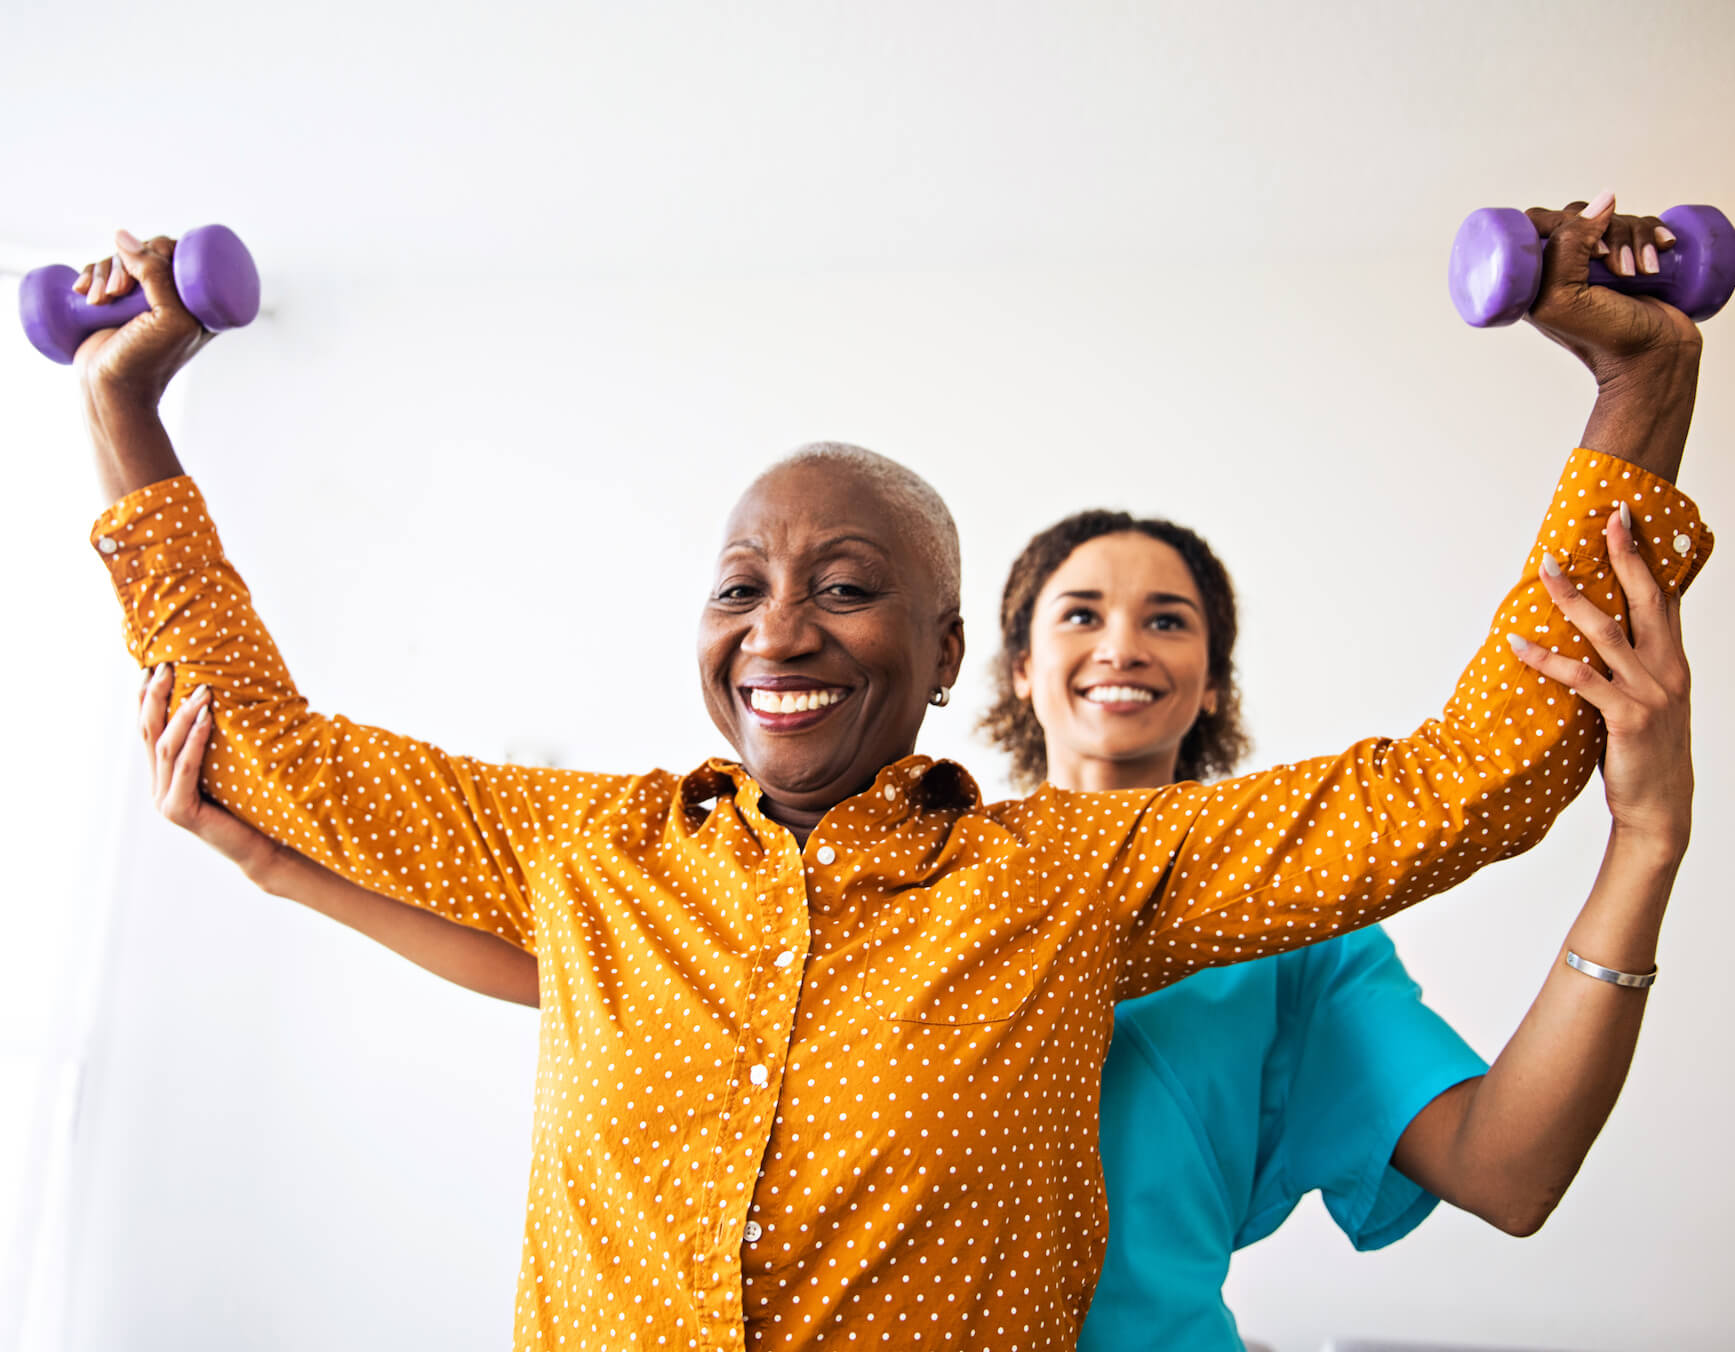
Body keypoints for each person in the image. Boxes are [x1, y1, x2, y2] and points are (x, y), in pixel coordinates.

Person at [75, 194, 1708, 1351]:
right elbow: (275, 758)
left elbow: (1472, 781)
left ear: (941, 664)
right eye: (740, 584)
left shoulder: (1075, 880)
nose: (779, 625)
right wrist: (120, 402)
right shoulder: (593, 859)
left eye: (845, 585)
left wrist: (1643, 388)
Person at [978, 504, 1694, 1350]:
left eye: (1166, 620)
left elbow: (1507, 1172)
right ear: (1021, 668)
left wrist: (1646, 839)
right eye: (1080, 614)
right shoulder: (924, 892)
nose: (1122, 645)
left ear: (1213, 682)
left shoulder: (1292, 939)